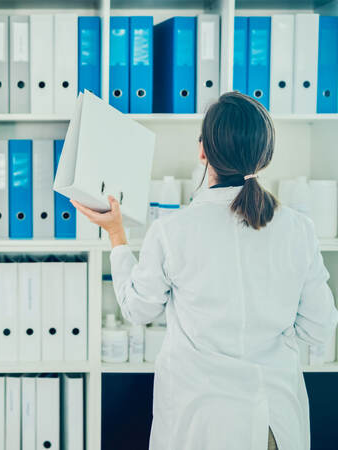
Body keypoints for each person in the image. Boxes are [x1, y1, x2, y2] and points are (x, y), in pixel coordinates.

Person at [73, 92, 338, 450]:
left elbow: (139, 309)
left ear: (203, 151)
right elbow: (320, 329)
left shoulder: (172, 230)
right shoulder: (298, 228)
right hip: (272, 424)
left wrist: (116, 234)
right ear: (265, 156)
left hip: (200, 424)